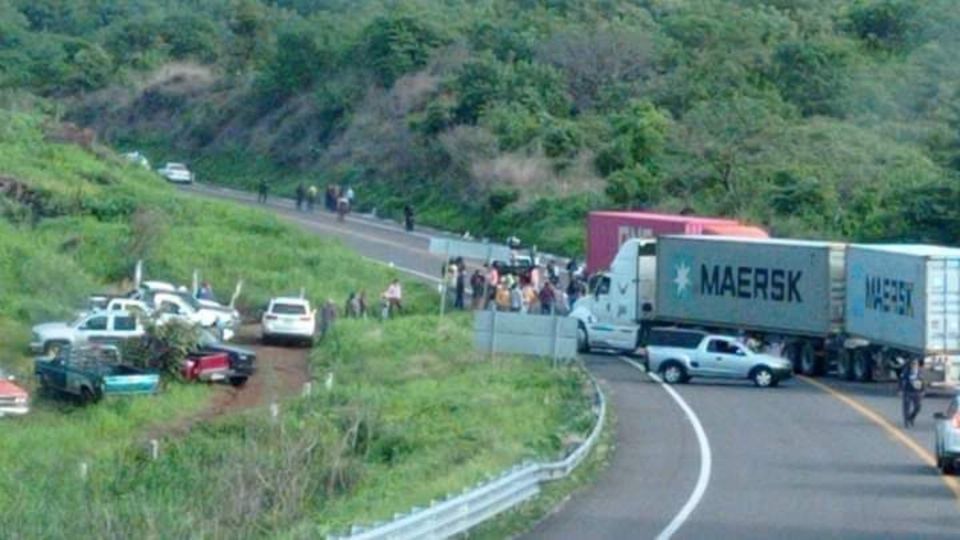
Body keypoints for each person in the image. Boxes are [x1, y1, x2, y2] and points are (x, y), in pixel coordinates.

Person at [900, 359, 924, 428]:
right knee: (906, 408)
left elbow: (923, 382)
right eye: (913, 364)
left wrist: (923, 390)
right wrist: (900, 390)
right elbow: (901, 381)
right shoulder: (906, 372)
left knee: (918, 407)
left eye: (915, 364)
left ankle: (911, 417)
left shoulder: (920, 372)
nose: (914, 365)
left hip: (917, 392)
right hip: (907, 391)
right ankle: (906, 422)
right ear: (910, 365)